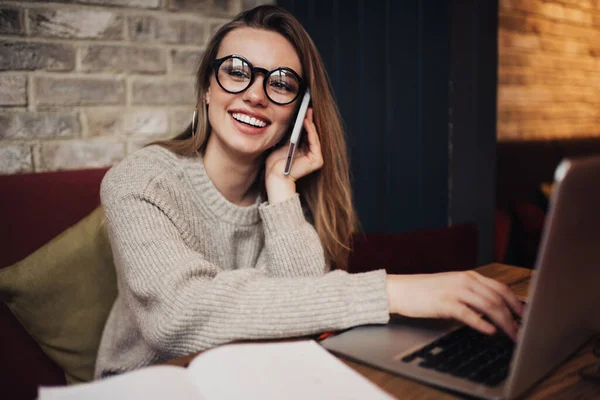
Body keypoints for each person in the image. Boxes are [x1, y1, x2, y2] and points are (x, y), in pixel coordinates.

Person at [94, 5, 523, 378]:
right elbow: (176, 316)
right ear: (207, 88)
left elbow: (301, 320)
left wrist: (281, 189)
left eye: (280, 83)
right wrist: (393, 292)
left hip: (245, 382)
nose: (256, 94)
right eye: (237, 72)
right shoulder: (139, 181)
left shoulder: (287, 198)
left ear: (299, 113)